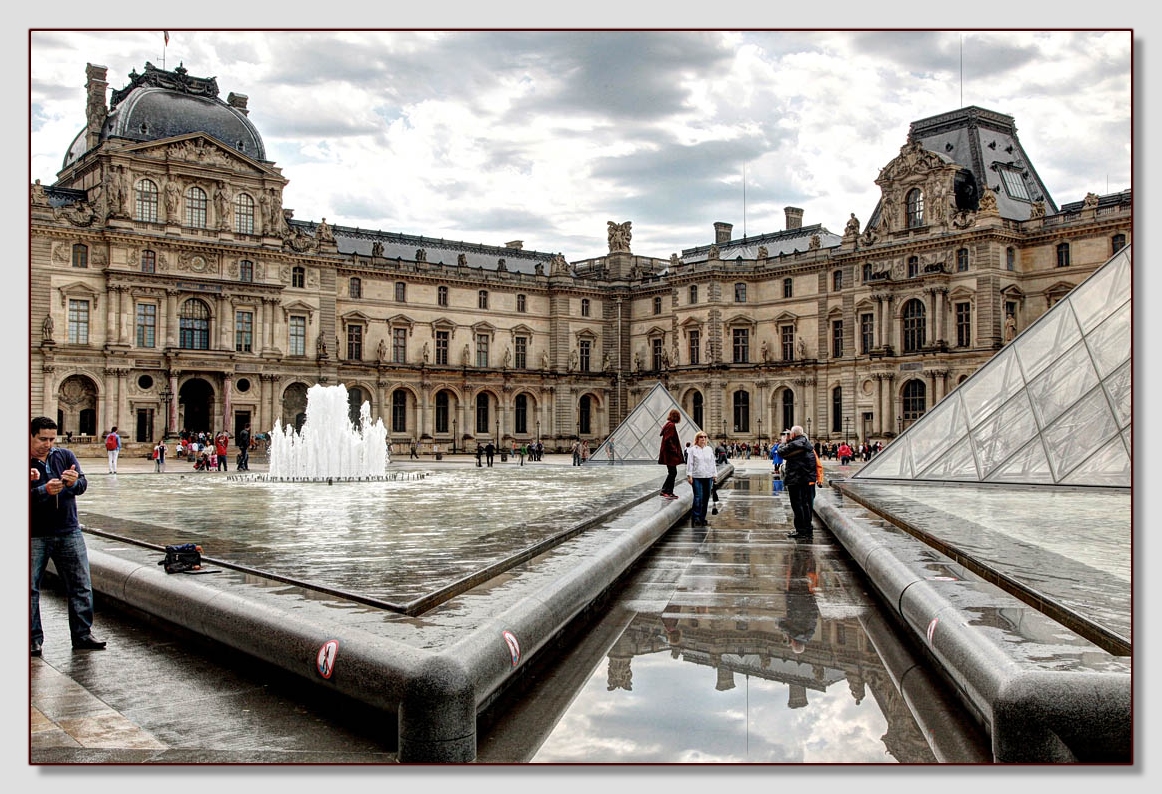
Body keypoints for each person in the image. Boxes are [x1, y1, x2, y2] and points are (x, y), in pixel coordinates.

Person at [30, 416, 106, 655]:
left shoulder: (65, 456)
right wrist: (43, 490)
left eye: (53, 439)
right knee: (29, 589)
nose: (48, 444)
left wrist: (73, 483)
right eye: (43, 438)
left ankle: (83, 635)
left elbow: (82, 485)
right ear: (30, 435)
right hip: (33, 534)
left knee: (81, 585)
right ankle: (32, 639)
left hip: (69, 530)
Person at [778, 541, 820, 655]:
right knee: (796, 572)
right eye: (792, 644)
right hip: (796, 598)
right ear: (795, 643)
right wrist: (788, 634)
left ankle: (805, 551)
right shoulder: (796, 634)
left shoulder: (810, 632)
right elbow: (781, 624)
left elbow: (814, 614)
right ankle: (801, 549)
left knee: (803, 572)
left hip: (806, 598)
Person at [777, 425, 818, 539]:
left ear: (794, 434)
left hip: (796, 480)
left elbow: (780, 452)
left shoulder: (795, 444)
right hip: (805, 479)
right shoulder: (805, 442)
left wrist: (783, 442)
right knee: (805, 505)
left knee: (797, 505)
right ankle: (807, 530)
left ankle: (801, 531)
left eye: (789, 434)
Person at [685, 431, 716, 527]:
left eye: (705, 437)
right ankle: (696, 517)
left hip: (708, 476)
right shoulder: (692, 450)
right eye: (701, 437)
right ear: (697, 439)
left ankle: (703, 517)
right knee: (698, 497)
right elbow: (690, 463)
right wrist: (689, 475)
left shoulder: (709, 449)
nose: (703, 439)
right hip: (697, 476)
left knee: (706, 497)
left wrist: (714, 474)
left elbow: (712, 463)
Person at [657, 408, 683, 500]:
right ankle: (667, 491)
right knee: (673, 473)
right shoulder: (671, 425)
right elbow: (669, 439)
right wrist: (675, 450)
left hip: (668, 454)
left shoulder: (668, 425)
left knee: (672, 472)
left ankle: (666, 491)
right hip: (670, 454)